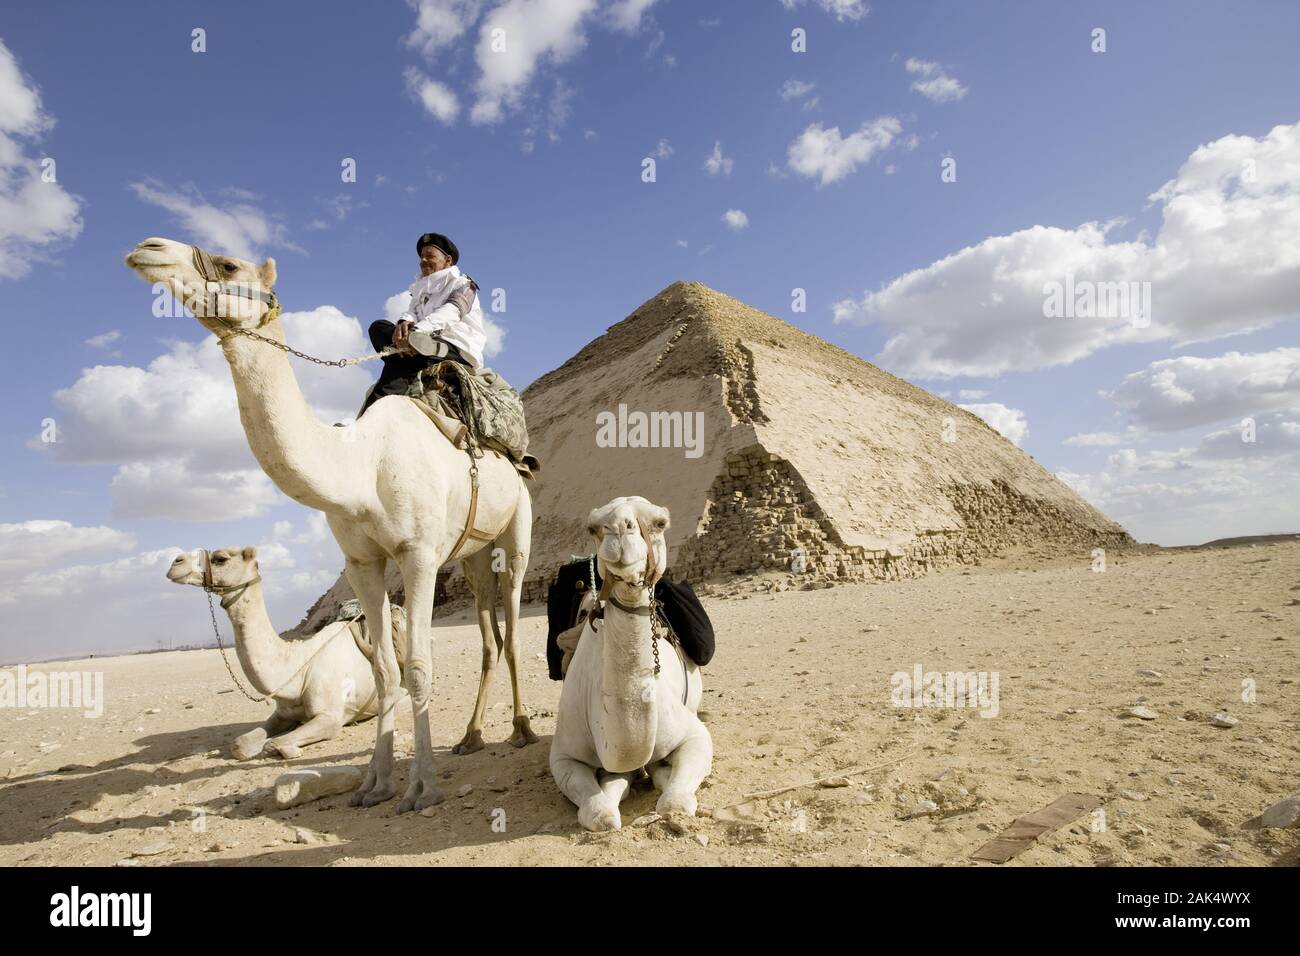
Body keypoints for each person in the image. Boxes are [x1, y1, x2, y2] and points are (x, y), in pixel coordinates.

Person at [358, 231, 488, 417]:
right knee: (378, 327)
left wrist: (417, 331)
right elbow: (411, 312)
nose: (423, 260)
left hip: (454, 348)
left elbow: (451, 312)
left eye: (430, 256)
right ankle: (410, 349)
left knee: (403, 360)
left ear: (447, 260)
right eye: (421, 257)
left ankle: (370, 417)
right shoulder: (421, 290)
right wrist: (404, 324)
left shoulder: (463, 284)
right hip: (419, 345)